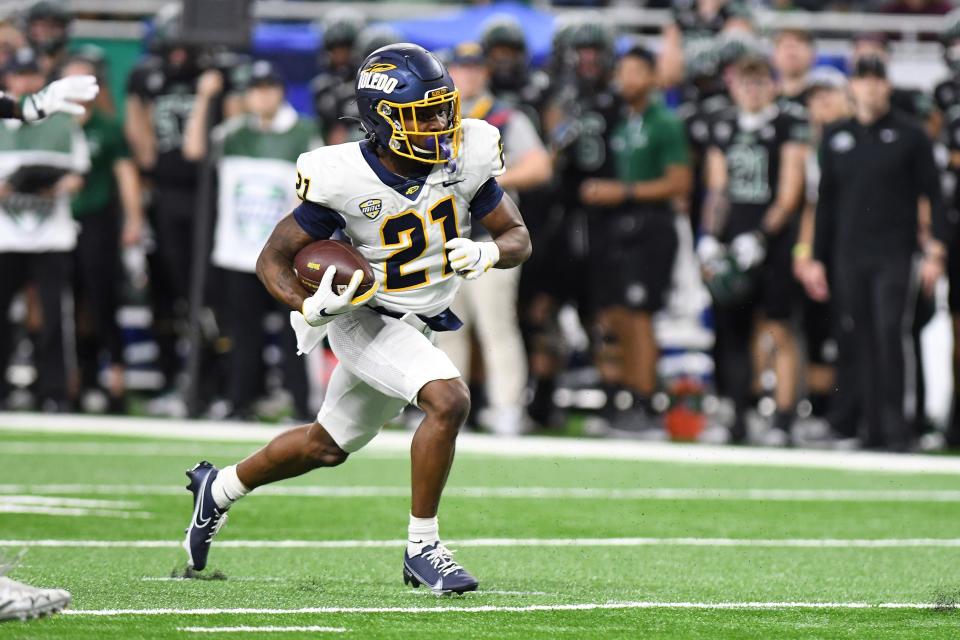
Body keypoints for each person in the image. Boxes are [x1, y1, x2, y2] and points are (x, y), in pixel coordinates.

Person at [181, 44, 531, 595]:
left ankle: (218, 490)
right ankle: (424, 548)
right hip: (365, 315)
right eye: (425, 114)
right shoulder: (341, 175)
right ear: (383, 120)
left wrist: (488, 253)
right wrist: (307, 304)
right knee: (449, 398)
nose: (441, 124)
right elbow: (271, 260)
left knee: (326, 445)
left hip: (418, 322)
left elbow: (517, 237)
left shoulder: (468, 154)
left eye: (444, 109)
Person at [802, 57, 948, 452]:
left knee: (890, 332)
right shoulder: (836, 138)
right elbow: (826, 203)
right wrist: (816, 257)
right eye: (862, 80)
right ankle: (867, 426)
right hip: (849, 253)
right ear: (852, 87)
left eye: (876, 80)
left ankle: (896, 427)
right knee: (857, 336)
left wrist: (936, 249)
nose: (869, 88)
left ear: (886, 86)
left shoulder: (910, 136)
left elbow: (933, 195)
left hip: (894, 252)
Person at [183, 60, 321, 421]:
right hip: (239, 253)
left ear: (280, 91)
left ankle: (302, 404)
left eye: (268, 88)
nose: (261, 96)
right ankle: (240, 402)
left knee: (296, 332)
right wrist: (204, 97)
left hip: (286, 254)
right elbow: (194, 151)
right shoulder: (233, 133)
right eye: (255, 89)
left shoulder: (303, 131)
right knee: (243, 334)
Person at [437, 42, 551, 435]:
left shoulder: (504, 116)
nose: (467, 75)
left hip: (488, 236)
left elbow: (539, 166)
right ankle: (449, 409)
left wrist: (490, 182)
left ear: (484, 73)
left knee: (496, 327)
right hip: (444, 237)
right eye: (460, 67)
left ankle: (507, 408)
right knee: (448, 328)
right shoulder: (435, 115)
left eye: (473, 68)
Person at [579, 46, 692, 432]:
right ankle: (630, 397)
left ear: (652, 77)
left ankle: (646, 403)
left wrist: (622, 192)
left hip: (653, 226)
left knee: (640, 316)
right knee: (621, 315)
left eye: (634, 72)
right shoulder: (626, 120)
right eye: (621, 71)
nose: (624, 79)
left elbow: (680, 183)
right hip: (623, 226)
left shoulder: (665, 121)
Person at [698, 56, 809, 445]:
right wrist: (710, 236)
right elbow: (717, 187)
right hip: (734, 239)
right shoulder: (723, 124)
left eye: (760, 82)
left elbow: (790, 189)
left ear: (773, 85)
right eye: (745, 83)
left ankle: (782, 418)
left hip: (775, 241)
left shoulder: (788, 123)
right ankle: (736, 415)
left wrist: (761, 236)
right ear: (733, 86)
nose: (752, 90)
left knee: (779, 327)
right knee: (732, 331)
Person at [0, 49, 91, 413]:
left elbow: (79, 175)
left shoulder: (63, 123)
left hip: (50, 234)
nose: (25, 82)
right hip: (5, 237)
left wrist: (57, 186)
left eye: (32, 75)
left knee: (54, 316)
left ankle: (54, 391)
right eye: (18, 75)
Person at [61, 56, 143, 414]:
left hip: (97, 221)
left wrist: (134, 219)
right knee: (66, 304)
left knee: (102, 301)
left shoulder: (107, 127)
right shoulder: (52, 126)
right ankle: (73, 381)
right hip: (55, 226)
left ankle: (116, 382)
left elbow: (126, 174)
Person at [309, 8, 364, 146]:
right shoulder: (321, 87)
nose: (340, 56)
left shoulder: (366, 83)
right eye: (335, 50)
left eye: (345, 49)